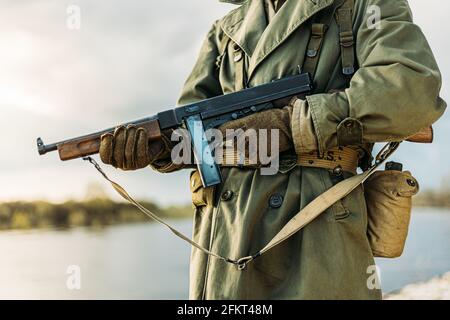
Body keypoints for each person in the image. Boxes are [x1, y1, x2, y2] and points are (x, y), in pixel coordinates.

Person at [99, 0, 446, 299]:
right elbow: (194, 132)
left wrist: (292, 124)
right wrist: (157, 150)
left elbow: (411, 86)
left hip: (313, 227)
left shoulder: (360, 7)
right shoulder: (224, 32)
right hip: (224, 234)